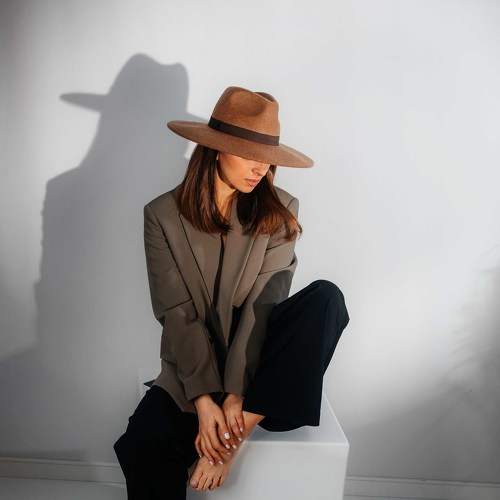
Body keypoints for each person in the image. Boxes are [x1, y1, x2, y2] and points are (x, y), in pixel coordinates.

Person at [113, 86, 350, 498]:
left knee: (326, 298)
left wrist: (233, 415)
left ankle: (239, 435)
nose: (261, 168)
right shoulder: (162, 216)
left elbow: (264, 306)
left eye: (267, 158)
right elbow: (176, 311)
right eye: (249, 154)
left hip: (262, 376)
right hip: (193, 369)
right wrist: (205, 401)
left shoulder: (281, 210)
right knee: (142, 444)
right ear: (216, 149)